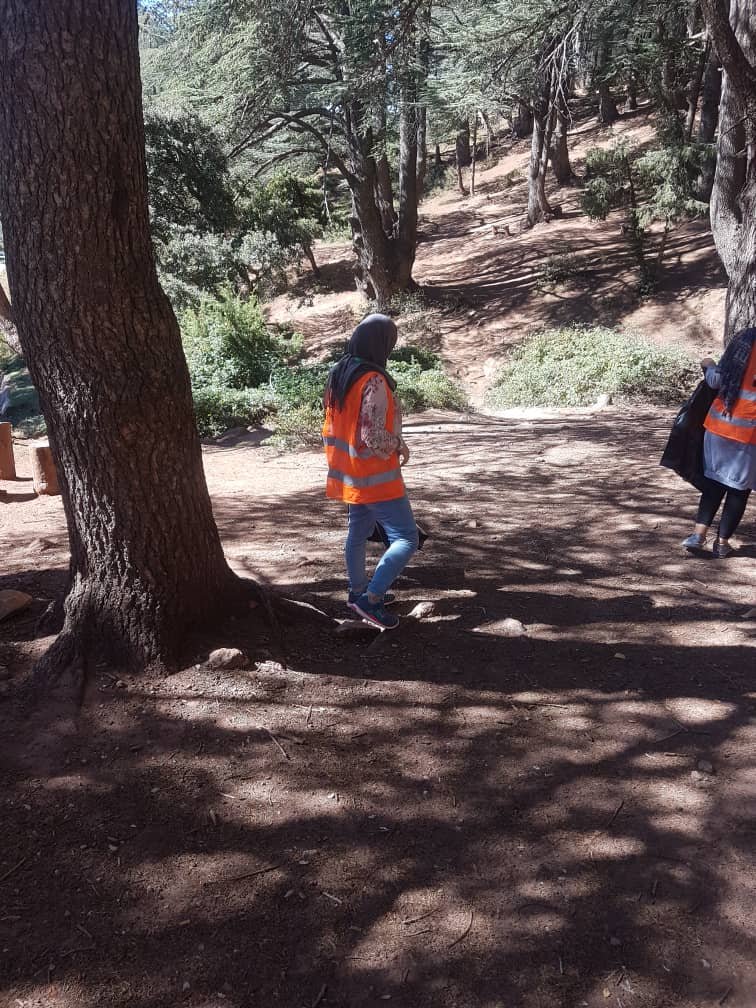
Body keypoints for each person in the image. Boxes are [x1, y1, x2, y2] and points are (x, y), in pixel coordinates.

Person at [322, 313, 419, 629]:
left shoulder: (340, 372)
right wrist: (398, 445)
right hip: (376, 476)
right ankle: (371, 600)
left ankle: (357, 592)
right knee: (406, 538)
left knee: (358, 532)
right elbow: (372, 436)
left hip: (350, 471)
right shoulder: (373, 380)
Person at [683, 327, 756, 557]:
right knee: (738, 490)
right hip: (750, 435)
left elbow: (716, 381)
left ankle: (698, 535)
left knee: (714, 483)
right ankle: (722, 543)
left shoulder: (744, 339)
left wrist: (708, 364)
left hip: (718, 426)